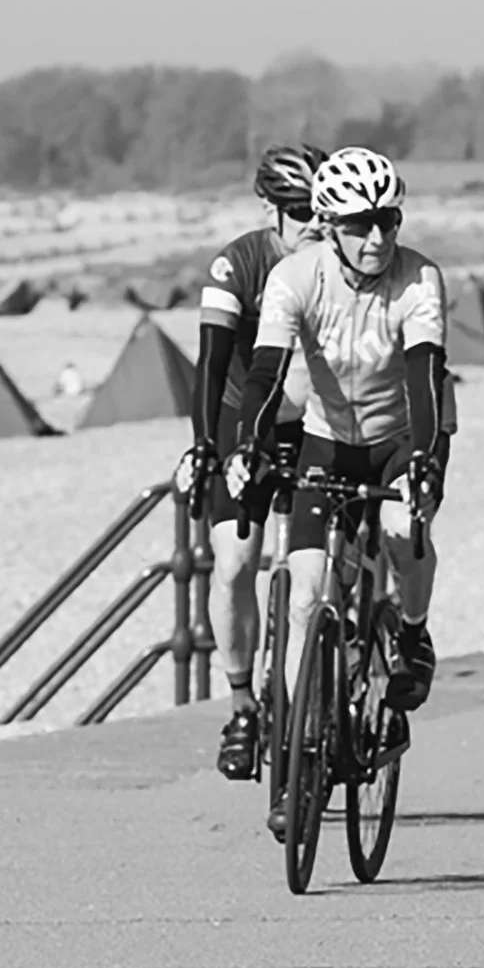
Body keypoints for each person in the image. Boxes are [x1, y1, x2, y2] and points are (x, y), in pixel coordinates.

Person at [227, 149, 442, 841]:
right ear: (330, 224)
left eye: (388, 221)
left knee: (406, 532)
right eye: (359, 225)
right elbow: (266, 375)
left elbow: (425, 377)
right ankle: (295, 759)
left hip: (399, 435)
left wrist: (425, 462)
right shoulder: (295, 278)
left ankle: (411, 634)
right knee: (304, 594)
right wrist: (249, 452)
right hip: (325, 439)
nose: (377, 238)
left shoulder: (419, 278)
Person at [177, 144, 325, 782]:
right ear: (270, 210)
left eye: (320, 209)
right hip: (245, 425)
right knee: (236, 564)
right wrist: (205, 443)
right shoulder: (238, 263)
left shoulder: (342, 262)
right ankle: (243, 707)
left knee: (320, 570)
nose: (315, 224)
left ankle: (338, 684)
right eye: (298, 212)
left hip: (317, 424)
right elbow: (210, 362)